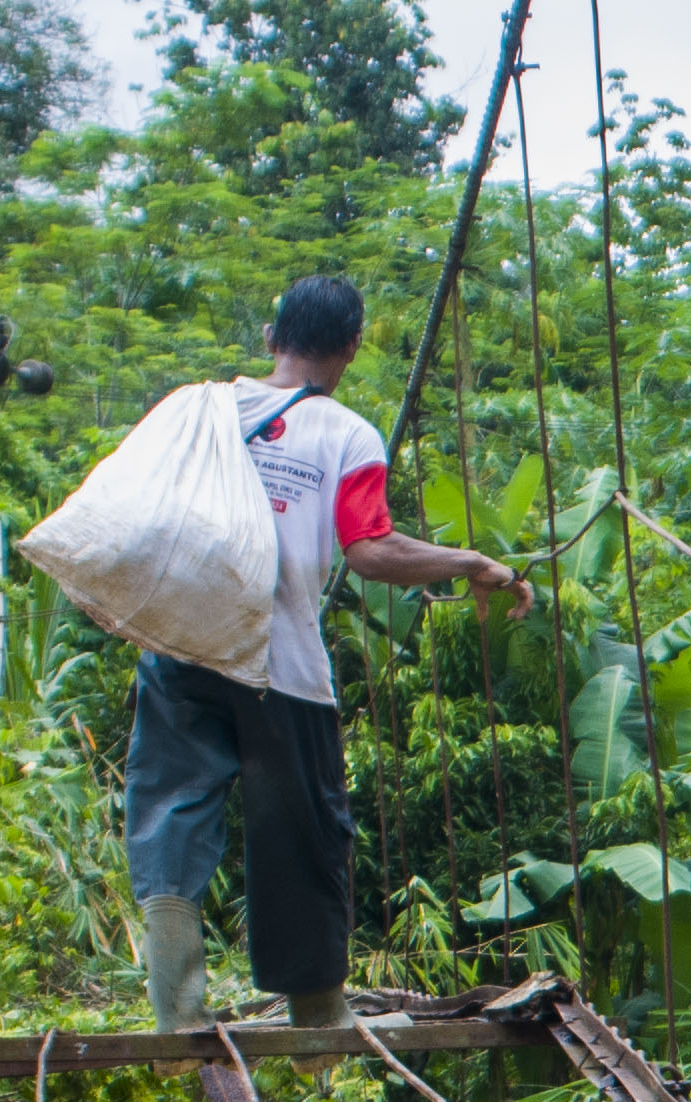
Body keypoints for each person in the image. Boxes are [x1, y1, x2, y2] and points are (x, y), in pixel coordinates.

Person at [125, 273, 532, 1034]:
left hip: (178, 645)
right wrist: (472, 562)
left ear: (271, 338)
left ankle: (175, 1013)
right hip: (281, 664)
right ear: (350, 347)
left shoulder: (195, 409)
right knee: (304, 829)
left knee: (169, 813)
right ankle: (317, 1014)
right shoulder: (346, 433)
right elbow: (371, 553)